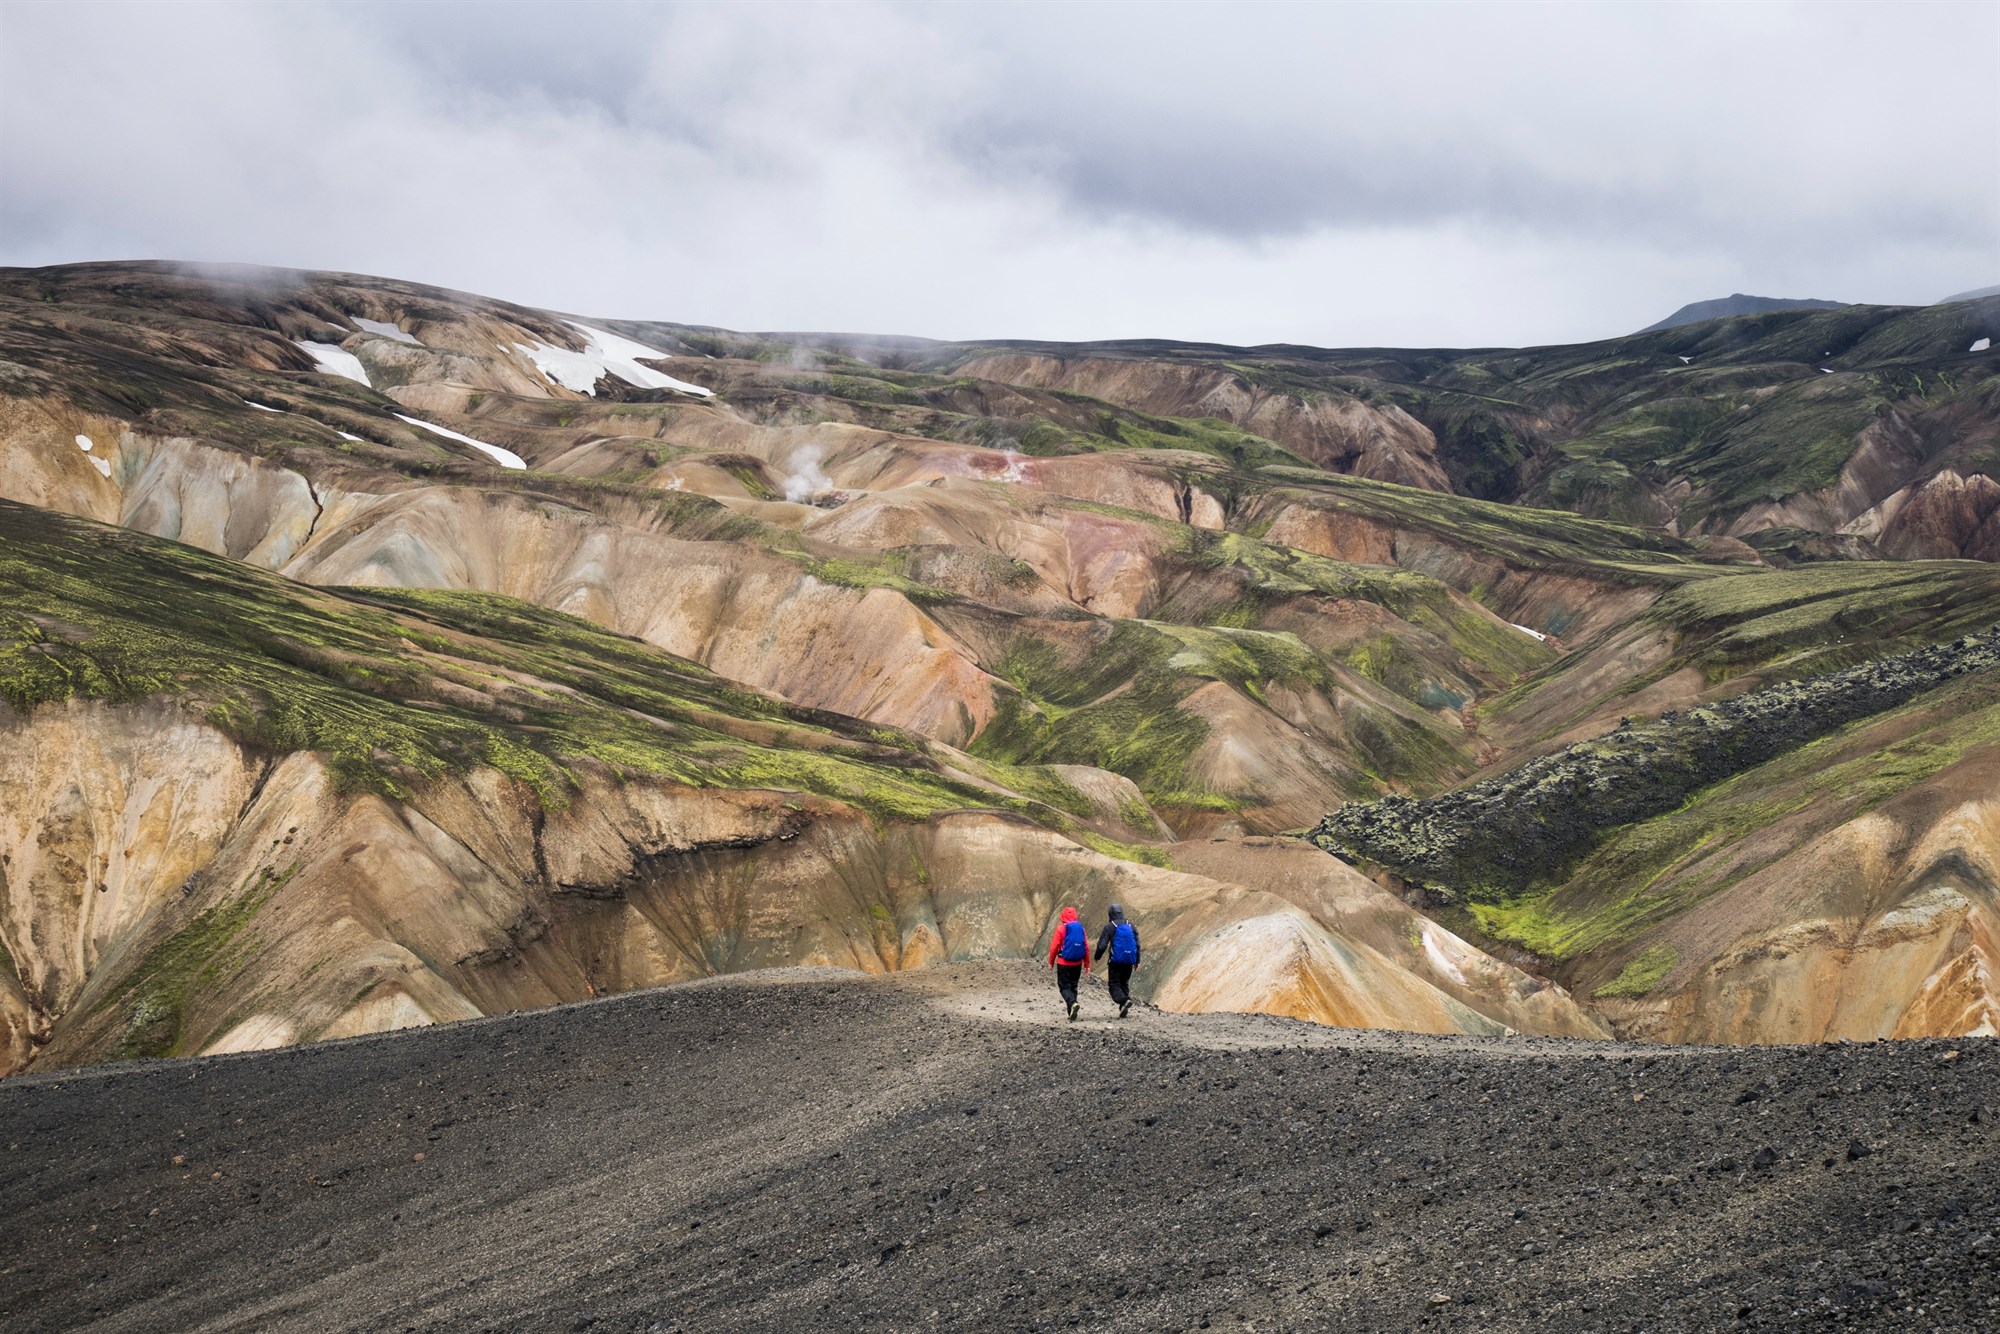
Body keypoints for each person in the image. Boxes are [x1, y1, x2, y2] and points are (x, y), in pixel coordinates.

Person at [1094, 903, 1141, 1018]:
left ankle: (1124, 1001)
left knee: (1114, 985)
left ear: (1110, 914)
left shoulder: (1110, 926)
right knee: (1124, 983)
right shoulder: (1131, 925)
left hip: (1115, 962)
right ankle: (1123, 1007)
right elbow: (1137, 945)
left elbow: (1102, 945)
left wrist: (1097, 956)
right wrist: (1137, 961)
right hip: (1129, 961)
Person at [1046, 905, 1091, 1021]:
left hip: (1063, 963)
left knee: (1064, 987)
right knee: (1073, 986)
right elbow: (1086, 947)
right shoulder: (1081, 929)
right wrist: (1087, 964)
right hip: (1077, 963)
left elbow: (1054, 947)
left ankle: (1073, 1003)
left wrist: (1051, 961)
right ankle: (1071, 1010)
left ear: (1063, 917)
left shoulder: (1061, 928)